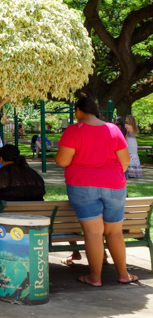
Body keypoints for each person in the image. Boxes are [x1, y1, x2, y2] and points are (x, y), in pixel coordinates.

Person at [55, 97, 135, 286]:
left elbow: (62, 161)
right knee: (115, 232)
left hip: (82, 185)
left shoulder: (74, 130)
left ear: (79, 111)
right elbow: (125, 161)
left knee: (93, 233)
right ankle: (124, 275)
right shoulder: (114, 129)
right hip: (114, 185)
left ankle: (95, 277)